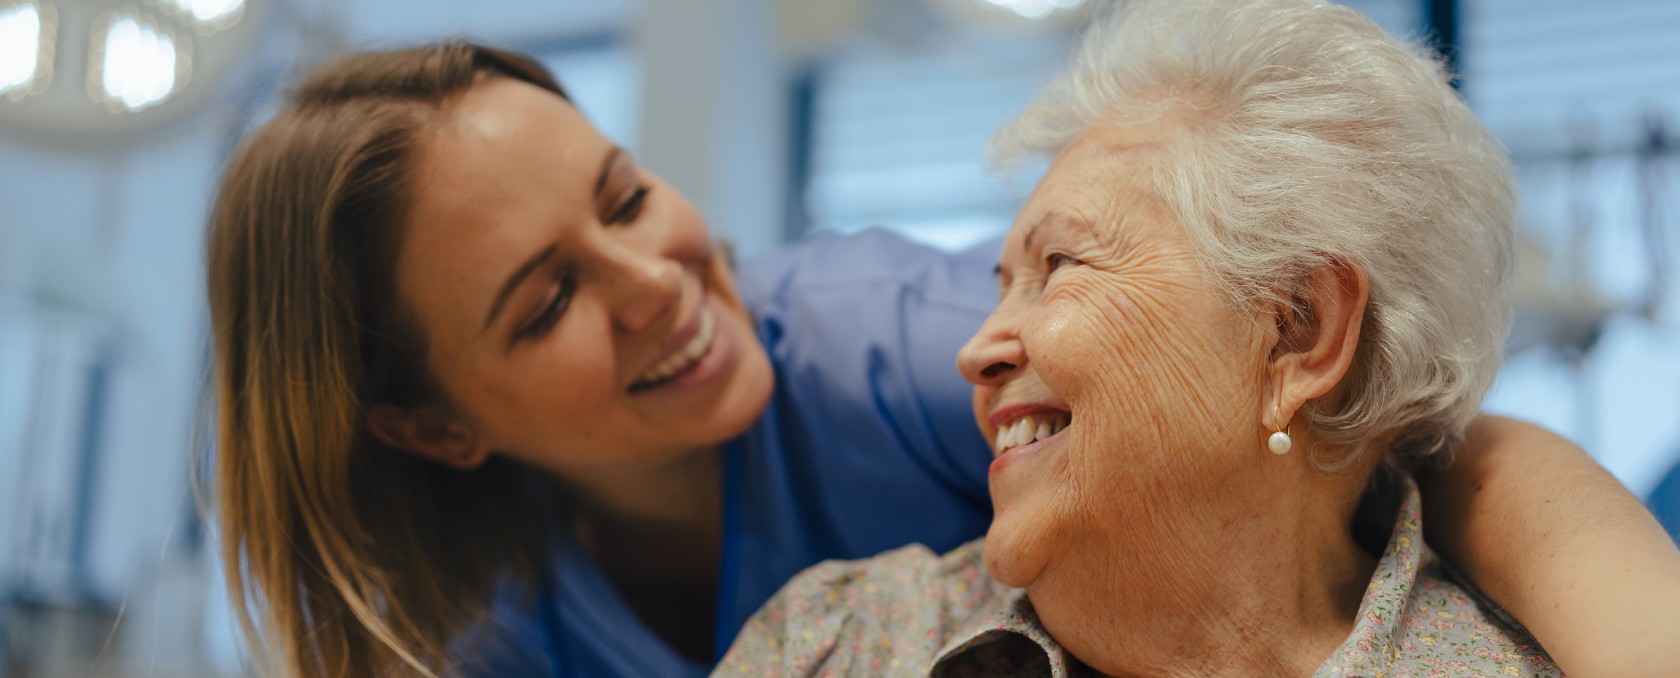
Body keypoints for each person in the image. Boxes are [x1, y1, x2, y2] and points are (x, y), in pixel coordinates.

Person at [205, 36, 1678, 678]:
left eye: (627, 193)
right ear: (435, 427)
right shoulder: (518, 634)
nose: (659, 279)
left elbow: (1405, 433)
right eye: (543, 305)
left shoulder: (872, 346)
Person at [715, 1, 1680, 676]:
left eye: (1062, 266)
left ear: (1297, 333)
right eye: (1000, 282)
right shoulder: (834, 642)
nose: (975, 348)